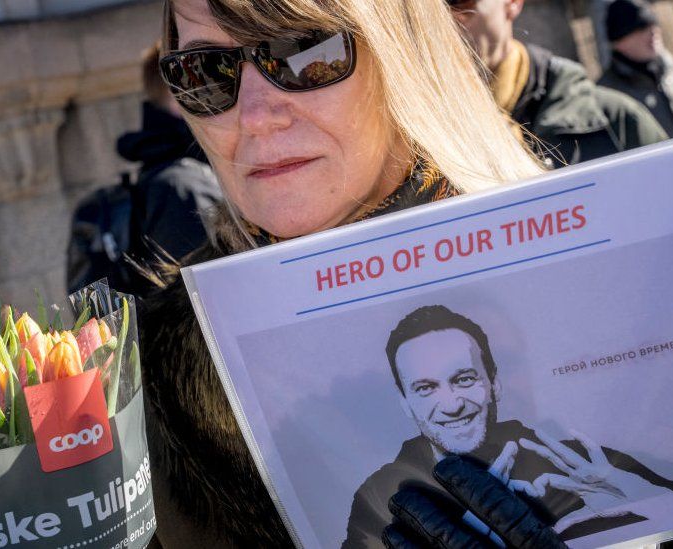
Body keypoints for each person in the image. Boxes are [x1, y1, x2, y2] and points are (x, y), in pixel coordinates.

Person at [136, 0, 563, 547]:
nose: (255, 114)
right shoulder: (151, 371)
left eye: (305, 52)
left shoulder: (591, 271)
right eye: (206, 71)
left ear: (405, 53)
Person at [343, 305, 673, 548]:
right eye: (425, 388)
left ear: (494, 382)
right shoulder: (378, 495)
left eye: (463, 379)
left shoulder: (579, 460)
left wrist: (662, 509)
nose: (452, 403)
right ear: (404, 402)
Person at [66, 43, 222, 294]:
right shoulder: (184, 186)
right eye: (216, 84)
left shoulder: (171, 178)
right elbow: (216, 297)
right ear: (179, 93)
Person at [448, 0, 668, 166]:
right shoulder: (420, 156)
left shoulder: (614, 120)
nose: (441, 21)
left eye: (456, 2)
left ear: (512, 3)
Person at [597, 0, 673, 138]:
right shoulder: (607, 93)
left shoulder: (669, 71)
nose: (653, 32)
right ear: (619, 41)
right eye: (641, 28)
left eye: (653, 24)